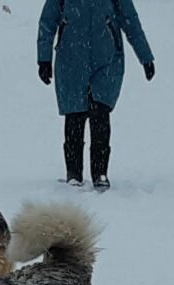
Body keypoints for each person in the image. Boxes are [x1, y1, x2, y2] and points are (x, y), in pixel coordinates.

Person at [37, 0, 155, 191]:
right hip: (71, 60)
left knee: (100, 114)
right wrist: (44, 58)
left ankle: (100, 173)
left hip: (106, 61)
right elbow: (48, 21)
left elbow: (130, 20)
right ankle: (74, 173)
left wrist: (145, 57)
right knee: (74, 116)